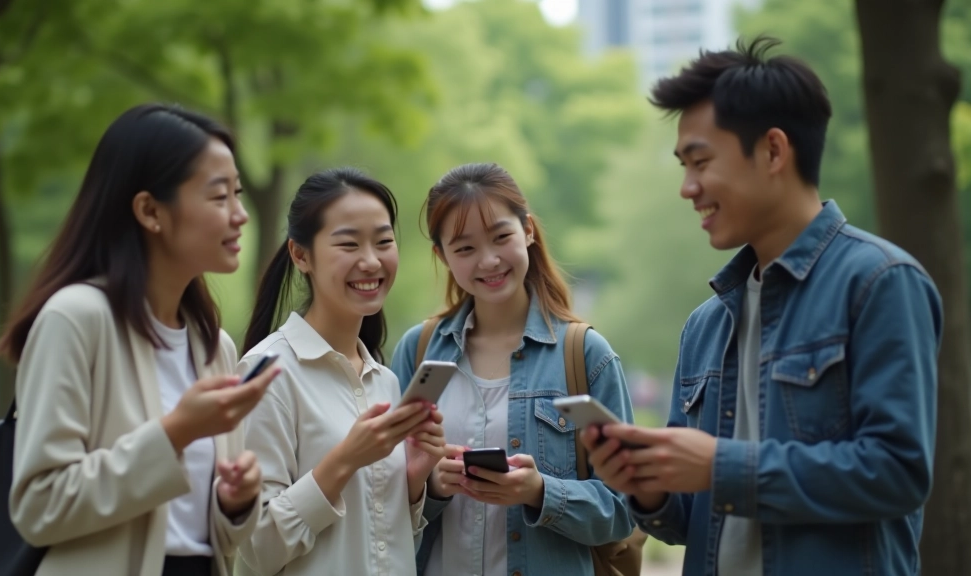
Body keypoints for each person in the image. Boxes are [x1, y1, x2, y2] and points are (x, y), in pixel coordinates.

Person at [582, 36, 943, 576]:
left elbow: (897, 472)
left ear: (774, 151)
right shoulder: (705, 325)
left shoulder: (879, 282)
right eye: (683, 165)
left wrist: (720, 466)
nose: (687, 188)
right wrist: (646, 487)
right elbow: (690, 520)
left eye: (700, 162)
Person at [0, 104, 278, 576]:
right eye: (219, 196)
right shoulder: (76, 319)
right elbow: (39, 506)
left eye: (239, 193)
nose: (240, 215)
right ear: (150, 210)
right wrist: (175, 433)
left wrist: (236, 502)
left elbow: (214, 538)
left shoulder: (215, 347)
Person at [391, 163, 636, 576]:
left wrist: (541, 492)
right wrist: (430, 488)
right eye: (465, 248)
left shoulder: (584, 355)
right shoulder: (418, 351)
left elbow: (626, 507)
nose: (488, 261)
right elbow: (378, 497)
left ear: (528, 231)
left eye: (501, 237)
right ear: (442, 256)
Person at [234, 167, 446, 576]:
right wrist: (345, 459)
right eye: (348, 244)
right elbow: (255, 548)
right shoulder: (266, 373)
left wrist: (414, 479)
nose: (371, 261)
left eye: (384, 241)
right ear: (301, 255)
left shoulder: (384, 380)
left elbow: (380, 543)